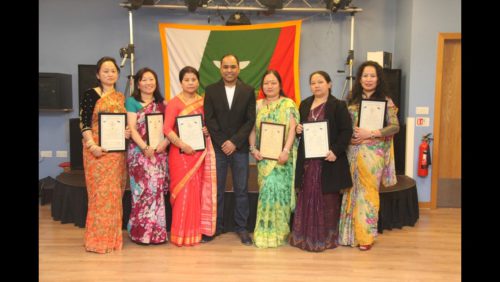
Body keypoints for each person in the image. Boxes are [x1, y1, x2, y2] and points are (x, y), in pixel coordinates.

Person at [338, 61, 399, 251]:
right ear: (360, 78)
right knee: (351, 193)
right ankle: (349, 235)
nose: (369, 79)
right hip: (353, 152)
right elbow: (343, 127)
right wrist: (348, 140)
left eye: (372, 76)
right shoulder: (351, 99)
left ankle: (365, 237)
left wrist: (371, 134)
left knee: (368, 194)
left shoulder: (386, 101)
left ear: (378, 79)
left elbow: (395, 126)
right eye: (365, 75)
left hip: (374, 155)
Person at [289, 71, 353, 252]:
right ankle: (305, 236)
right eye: (313, 82)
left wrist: (335, 151)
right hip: (309, 161)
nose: (316, 85)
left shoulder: (338, 105)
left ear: (329, 84)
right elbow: (301, 128)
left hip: (328, 160)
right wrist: (299, 129)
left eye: (320, 82)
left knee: (327, 199)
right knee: (307, 195)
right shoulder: (305, 104)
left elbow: (346, 132)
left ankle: (325, 237)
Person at [203, 54, 256, 245]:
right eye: (225, 67)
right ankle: (215, 227)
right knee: (216, 190)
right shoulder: (211, 90)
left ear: (239, 69)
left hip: (240, 149)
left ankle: (242, 228)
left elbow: (250, 120)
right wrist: (223, 142)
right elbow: (210, 119)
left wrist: (234, 142)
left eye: (233, 67)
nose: (229, 70)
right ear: (220, 69)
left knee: (241, 189)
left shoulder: (248, 91)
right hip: (218, 148)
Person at [79, 56, 130, 253]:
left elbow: (120, 122)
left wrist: (125, 132)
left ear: (117, 74)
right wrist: (92, 145)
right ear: (98, 74)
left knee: (114, 196)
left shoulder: (120, 97)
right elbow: (83, 122)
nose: (110, 74)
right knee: (100, 196)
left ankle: (113, 240)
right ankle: (97, 241)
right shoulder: (90, 94)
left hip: (116, 153)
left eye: (113, 71)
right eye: (105, 71)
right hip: (97, 153)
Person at [163, 66, 217, 246]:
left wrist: (207, 129)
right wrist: (182, 144)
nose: (190, 83)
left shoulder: (204, 102)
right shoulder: (174, 102)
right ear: (181, 82)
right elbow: (166, 129)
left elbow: (210, 124)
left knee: (196, 192)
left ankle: (194, 233)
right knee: (182, 192)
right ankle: (180, 234)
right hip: (180, 154)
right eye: (187, 80)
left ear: (198, 81)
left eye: (194, 79)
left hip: (198, 153)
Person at [249, 70, 299, 248]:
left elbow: (292, 129)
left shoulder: (288, 104)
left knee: (280, 195)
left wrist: (285, 151)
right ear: (262, 86)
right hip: (263, 158)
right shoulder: (257, 105)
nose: (269, 86)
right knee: (266, 194)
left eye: (273, 83)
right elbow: (252, 130)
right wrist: (253, 149)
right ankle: (264, 233)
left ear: (280, 85)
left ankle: (280, 232)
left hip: (282, 159)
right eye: (266, 83)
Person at [125, 67, 170, 245]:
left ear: (156, 82)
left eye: (152, 79)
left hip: (159, 154)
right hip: (139, 155)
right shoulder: (132, 102)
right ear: (138, 83)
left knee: (156, 193)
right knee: (141, 192)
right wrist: (144, 148)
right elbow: (132, 128)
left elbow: (169, 128)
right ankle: (139, 233)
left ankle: (157, 234)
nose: (148, 83)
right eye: (144, 79)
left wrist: (163, 144)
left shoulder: (163, 104)